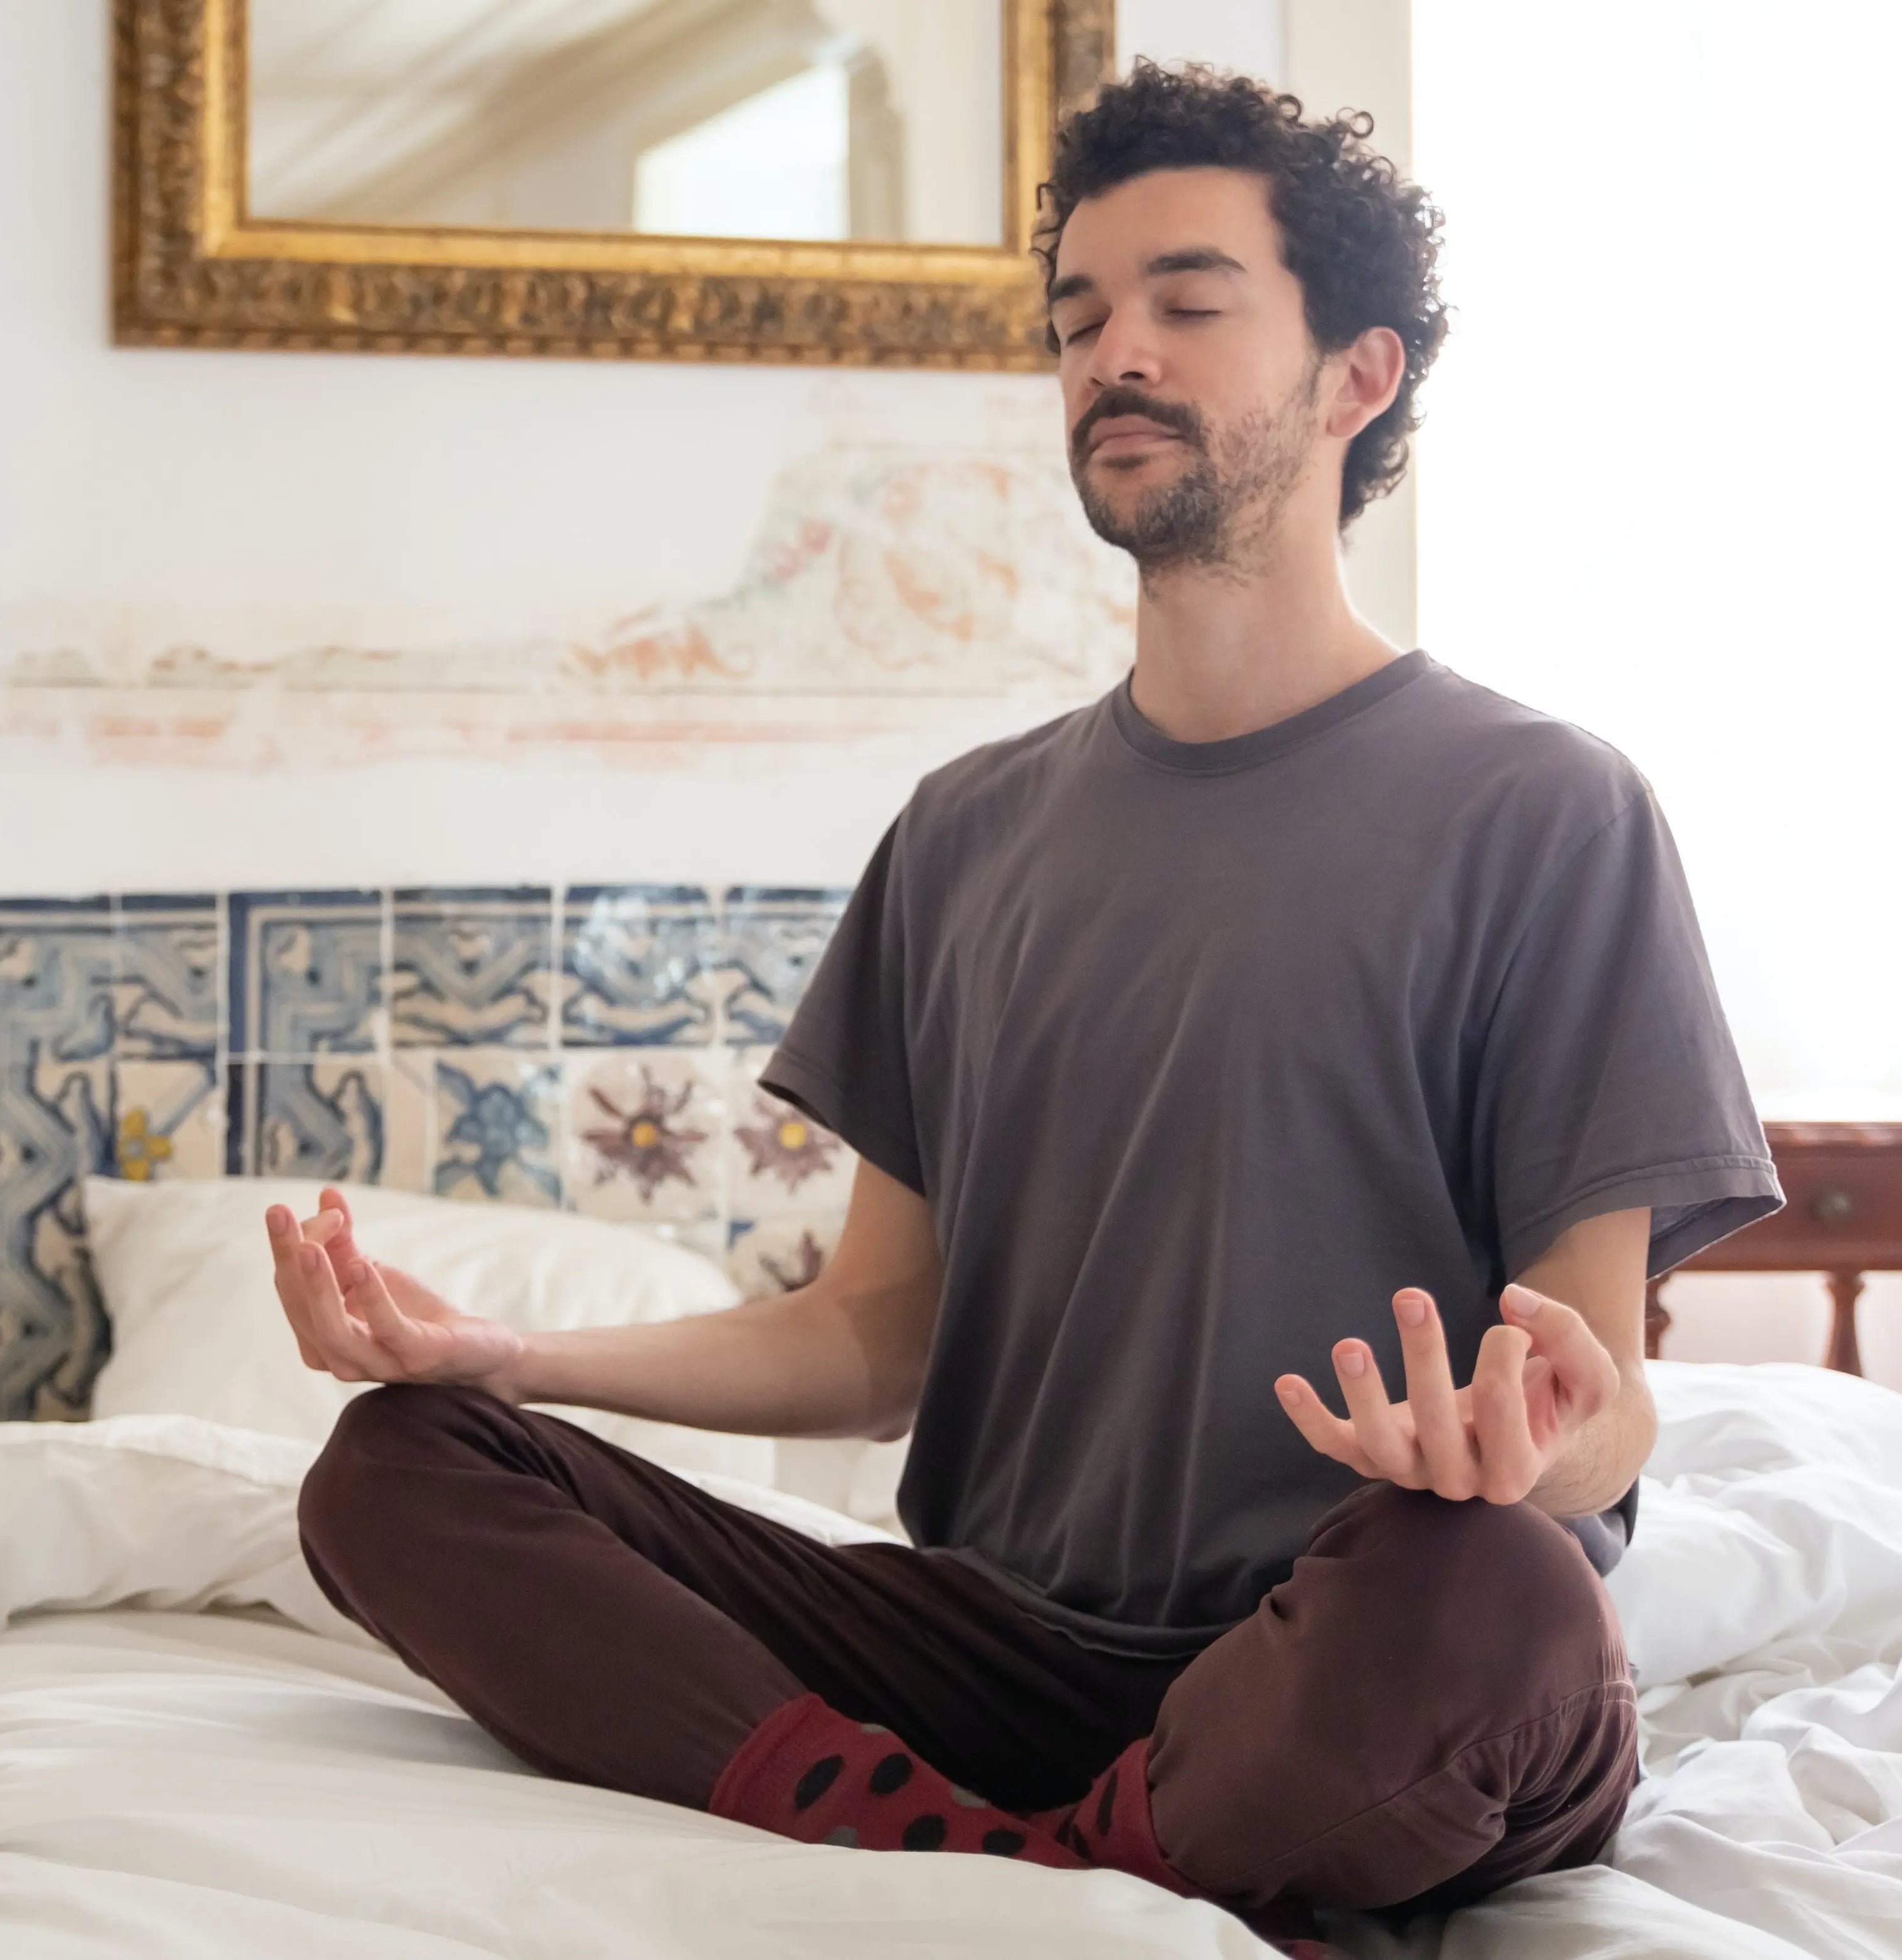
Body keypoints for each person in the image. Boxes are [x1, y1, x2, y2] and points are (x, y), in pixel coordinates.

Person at [260, 59, 1781, 1926]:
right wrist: (504, 1355)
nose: (1111, 354)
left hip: (1355, 1632)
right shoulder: (964, 837)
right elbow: (871, 1339)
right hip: (992, 1656)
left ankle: (1064, 1846)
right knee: (399, 1469)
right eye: (1079, 318)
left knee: (1501, 1598)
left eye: (1187, 305)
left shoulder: (1548, 813)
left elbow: (1599, 1382)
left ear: (1358, 376)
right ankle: (1043, 1856)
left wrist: (1535, 1439)